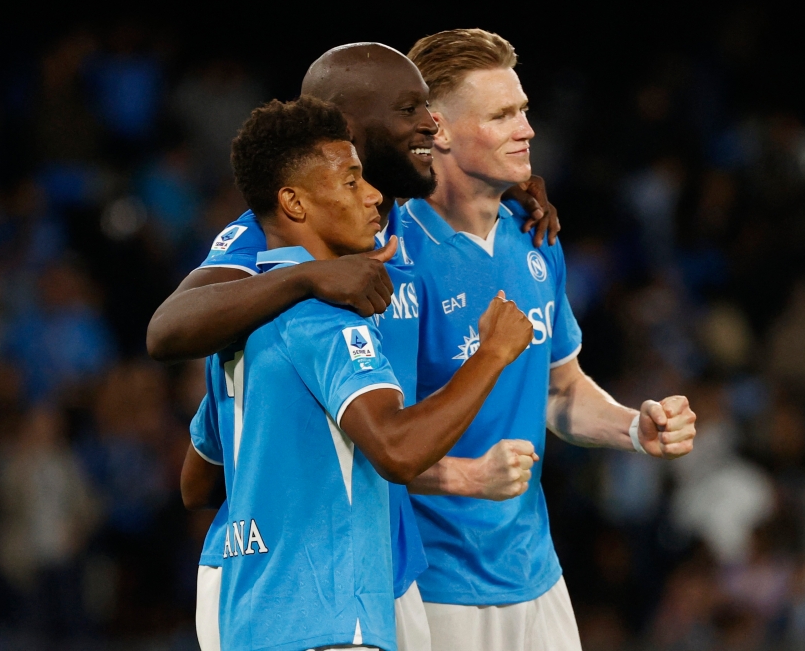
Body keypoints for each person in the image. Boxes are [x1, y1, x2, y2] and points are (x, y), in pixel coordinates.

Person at [168, 42, 555, 651]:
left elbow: (202, 476)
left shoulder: (390, 222)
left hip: (371, 568)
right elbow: (167, 329)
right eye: (409, 109)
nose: (431, 124)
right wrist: (309, 278)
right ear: (348, 128)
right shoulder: (289, 256)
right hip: (312, 585)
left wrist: (503, 193)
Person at [400, 28, 698, 650]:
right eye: (502, 115)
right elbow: (374, 441)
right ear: (438, 130)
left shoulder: (535, 238)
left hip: (538, 576)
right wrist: (468, 475)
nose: (527, 129)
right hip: (432, 586)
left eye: (524, 110)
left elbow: (560, 390)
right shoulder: (395, 260)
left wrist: (632, 428)